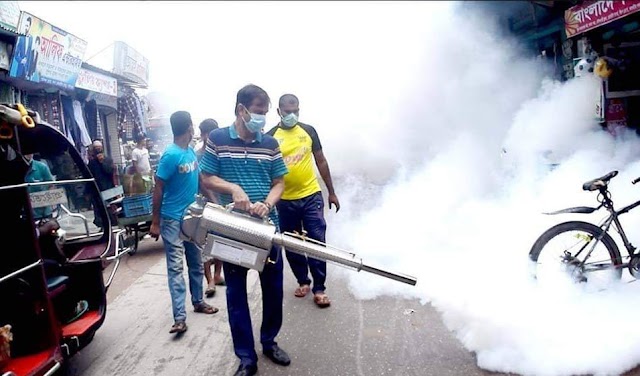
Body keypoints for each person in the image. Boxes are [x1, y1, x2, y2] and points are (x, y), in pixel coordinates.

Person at [200, 84, 290, 376]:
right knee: (236, 296)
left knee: (273, 291)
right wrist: (233, 188)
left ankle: (269, 342)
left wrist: (267, 202)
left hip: (268, 229)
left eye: (264, 113)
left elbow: (280, 182)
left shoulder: (270, 144)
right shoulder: (218, 139)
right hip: (234, 231)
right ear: (241, 110)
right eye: (259, 112)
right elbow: (206, 177)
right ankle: (246, 357)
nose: (262, 119)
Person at [266, 94, 340, 308]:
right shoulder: (271, 137)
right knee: (293, 243)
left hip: (310, 195)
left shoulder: (308, 131)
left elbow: (321, 161)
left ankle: (319, 288)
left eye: (296, 111)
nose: (292, 115)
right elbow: (267, 170)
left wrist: (331, 192)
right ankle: (303, 281)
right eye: (288, 112)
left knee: (317, 240)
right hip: (284, 200)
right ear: (279, 112)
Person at [150, 111, 218, 335]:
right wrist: (155, 222)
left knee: (196, 263)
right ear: (189, 127)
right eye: (193, 126)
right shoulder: (170, 155)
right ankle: (179, 318)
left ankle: (198, 302)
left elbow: (199, 181)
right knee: (176, 268)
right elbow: (158, 187)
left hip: (192, 218)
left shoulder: (189, 152)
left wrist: (215, 202)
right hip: (171, 220)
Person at [196, 118, 225, 297]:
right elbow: (201, 182)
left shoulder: (221, 153)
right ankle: (210, 281)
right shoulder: (198, 155)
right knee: (204, 243)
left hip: (220, 204)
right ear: (204, 135)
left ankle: (217, 274)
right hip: (205, 205)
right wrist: (213, 200)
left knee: (220, 240)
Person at [24, 153, 55, 220]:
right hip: (25, 213)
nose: (28, 154)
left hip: (44, 212)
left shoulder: (42, 166)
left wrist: (50, 205)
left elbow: (51, 185)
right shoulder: (14, 169)